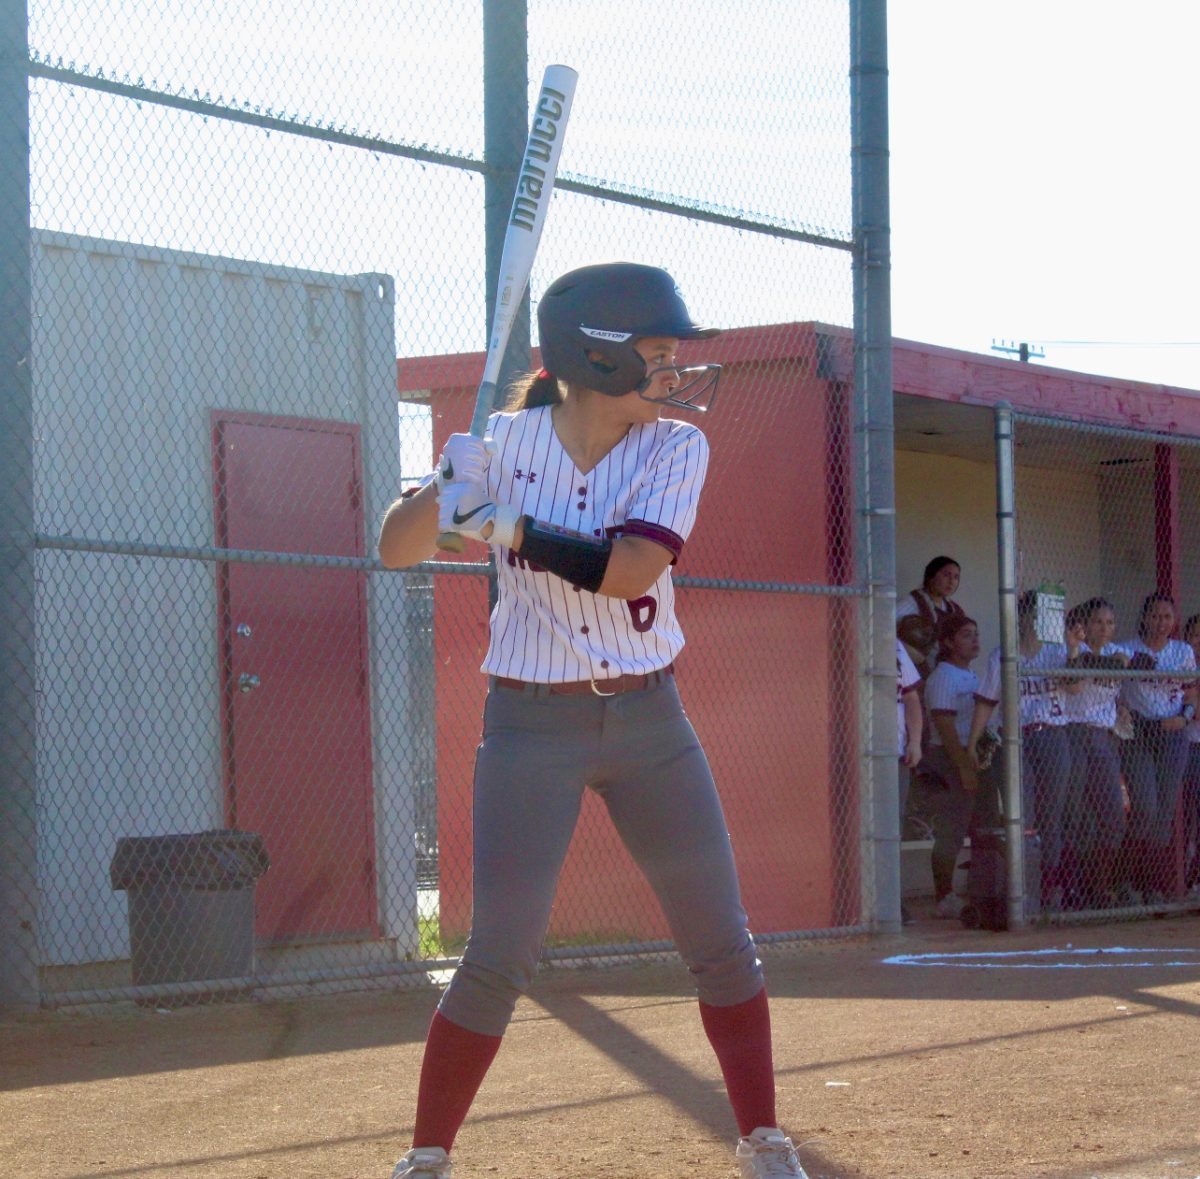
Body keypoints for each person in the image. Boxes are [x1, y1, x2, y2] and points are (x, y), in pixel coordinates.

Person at [377, 263, 809, 1179]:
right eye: (656, 354)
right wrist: (444, 495)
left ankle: (765, 1140)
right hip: (530, 727)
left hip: (652, 722)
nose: (675, 371)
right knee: (497, 953)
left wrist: (504, 527)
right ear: (594, 358)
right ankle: (425, 1157)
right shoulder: (502, 441)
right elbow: (394, 549)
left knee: (720, 939)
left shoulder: (674, 448)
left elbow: (628, 571)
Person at [966, 590, 1078, 909]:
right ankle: (1024, 893)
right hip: (1015, 741)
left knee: (1051, 817)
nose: (1046, 622)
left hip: (1053, 736)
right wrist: (974, 741)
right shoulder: (1003, 655)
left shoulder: (1060, 651)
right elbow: (987, 701)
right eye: (1039, 615)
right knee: (1022, 818)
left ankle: (1051, 889)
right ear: (1025, 618)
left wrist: (1072, 649)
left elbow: (1074, 685)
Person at [1117, 592, 1198, 902]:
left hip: (1172, 732)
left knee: (1163, 816)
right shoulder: (1127, 649)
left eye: (1167, 617)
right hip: (1140, 733)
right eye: (1155, 616)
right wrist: (1123, 712)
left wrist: (1184, 717)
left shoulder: (1182, 651)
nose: (1162, 622)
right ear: (1145, 617)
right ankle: (1125, 882)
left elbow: (1191, 694)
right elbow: (1116, 693)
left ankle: (1152, 886)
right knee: (1145, 808)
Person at [921, 614, 997, 916]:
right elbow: (945, 726)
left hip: (974, 757)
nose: (975, 640)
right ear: (948, 642)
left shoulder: (973, 675)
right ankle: (944, 896)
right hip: (949, 758)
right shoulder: (943, 676)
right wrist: (964, 766)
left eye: (976, 634)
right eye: (966, 635)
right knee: (952, 830)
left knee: (985, 825)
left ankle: (983, 888)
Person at [1061, 598, 1130, 908]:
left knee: (1113, 817)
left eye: (1110, 623)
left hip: (1104, 738)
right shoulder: (1076, 653)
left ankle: (1098, 888)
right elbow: (1077, 683)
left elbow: (1129, 676)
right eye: (1098, 622)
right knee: (1074, 816)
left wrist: (1123, 708)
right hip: (1074, 734)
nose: (1104, 628)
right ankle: (1071, 890)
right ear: (1085, 626)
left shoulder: (1122, 654)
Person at [896, 556, 965, 678]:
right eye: (946, 575)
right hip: (917, 677)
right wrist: (911, 654)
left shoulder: (955, 610)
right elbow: (884, 627)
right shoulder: (913, 602)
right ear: (931, 576)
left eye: (956, 577)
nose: (951, 581)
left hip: (949, 676)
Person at [896, 637, 923, 924]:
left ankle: (894, 899)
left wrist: (914, 741)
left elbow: (912, 698)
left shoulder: (895, 646)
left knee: (894, 826)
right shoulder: (848, 634)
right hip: (855, 752)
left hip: (895, 751)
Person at [1181, 614, 1200, 895]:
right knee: (1186, 817)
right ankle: (1184, 878)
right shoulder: (1181, 664)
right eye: (1195, 636)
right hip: (1190, 746)